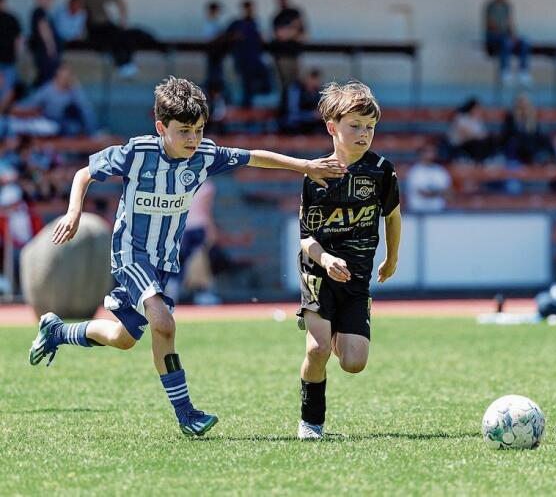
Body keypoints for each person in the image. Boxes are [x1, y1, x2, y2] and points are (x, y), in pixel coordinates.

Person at [28, 76, 347, 437]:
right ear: (161, 127)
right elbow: (84, 173)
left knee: (123, 337)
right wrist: (73, 213)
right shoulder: (137, 152)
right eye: (184, 132)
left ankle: (56, 331)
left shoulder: (205, 155)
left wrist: (306, 166)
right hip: (131, 253)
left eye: (198, 130)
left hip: (163, 260)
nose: (193, 139)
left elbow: (255, 157)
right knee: (163, 323)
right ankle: (187, 414)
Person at [295, 81, 401, 439]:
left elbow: (393, 217)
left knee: (353, 363)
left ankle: (339, 328)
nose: (363, 134)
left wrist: (392, 257)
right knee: (318, 348)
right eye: (355, 125)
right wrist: (325, 260)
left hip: (357, 278)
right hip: (318, 273)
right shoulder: (316, 173)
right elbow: (306, 238)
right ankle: (311, 421)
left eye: (370, 127)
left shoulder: (382, 171)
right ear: (332, 128)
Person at [74, 0, 142, 78]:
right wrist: (79, 31)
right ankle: (121, 65)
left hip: (107, 25)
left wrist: (123, 20)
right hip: (94, 28)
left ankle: (128, 63)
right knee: (111, 41)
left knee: (126, 36)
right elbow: (75, 13)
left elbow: (120, 0)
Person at [15, 64, 97, 136]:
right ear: (58, 74)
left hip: (67, 123)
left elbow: (84, 107)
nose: (67, 77)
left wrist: (77, 87)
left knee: (76, 125)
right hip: (50, 121)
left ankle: (93, 134)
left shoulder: (72, 90)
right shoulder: (48, 89)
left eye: (69, 75)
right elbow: (31, 103)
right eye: (65, 74)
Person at [483, 0, 531, 86]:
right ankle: (505, 71)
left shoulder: (507, 6)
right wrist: (503, 32)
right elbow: (489, 23)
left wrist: (513, 35)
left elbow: (510, 23)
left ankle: (523, 72)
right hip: (493, 36)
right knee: (505, 42)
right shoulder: (491, 5)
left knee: (524, 41)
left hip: (505, 35)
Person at [226, 0, 271, 107]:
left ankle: (252, 99)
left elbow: (264, 39)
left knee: (265, 81)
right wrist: (235, 37)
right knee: (246, 84)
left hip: (256, 58)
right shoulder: (237, 23)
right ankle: (246, 104)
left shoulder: (257, 23)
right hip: (243, 59)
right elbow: (228, 37)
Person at [502, 93, 556, 163]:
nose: (523, 106)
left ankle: (554, 160)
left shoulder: (532, 117)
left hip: (531, 145)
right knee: (522, 142)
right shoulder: (511, 117)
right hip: (518, 146)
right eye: (521, 103)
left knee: (546, 140)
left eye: (524, 103)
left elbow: (537, 134)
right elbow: (508, 134)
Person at [271, 0, 306, 91]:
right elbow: (280, 35)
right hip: (282, 55)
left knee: (296, 82)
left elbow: (302, 35)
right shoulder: (277, 17)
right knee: (285, 83)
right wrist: (292, 32)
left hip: (295, 54)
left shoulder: (294, 13)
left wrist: (289, 32)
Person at [29, 0, 62, 87]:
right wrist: (51, 49)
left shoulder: (44, 12)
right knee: (47, 81)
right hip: (45, 53)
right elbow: (44, 31)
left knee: (45, 79)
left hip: (45, 53)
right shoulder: (39, 12)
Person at [405, 143, 451, 213]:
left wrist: (433, 193)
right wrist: (439, 193)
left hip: (438, 212)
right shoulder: (415, 171)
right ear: (421, 154)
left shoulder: (441, 171)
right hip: (417, 212)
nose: (430, 154)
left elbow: (448, 192)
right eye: (427, 152)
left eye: (432, 152)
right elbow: (423, 193)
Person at [278, 67, 323, 134]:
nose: (316, 82)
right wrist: (312, 115)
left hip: (311, 125)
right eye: (313, 78)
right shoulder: (295, 90)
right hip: (292, 126)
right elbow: (293, 114)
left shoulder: (317, 92)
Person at [0, 0, 23, 103]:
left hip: (9, 60)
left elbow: (18, 40)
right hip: (9, 59)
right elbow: (18, 41)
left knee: (7, 89)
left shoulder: (11, 18)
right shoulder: (12, 18)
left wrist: (17, 55)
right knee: (6, 90)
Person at [202, 0, 228, 93]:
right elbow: (209, 38)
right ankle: (212, 93)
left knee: (217, 75)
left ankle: (216, 93)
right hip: (213, 53)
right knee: (214, 76)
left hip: (217, 53)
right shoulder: (209, 23)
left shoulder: (215, 22)